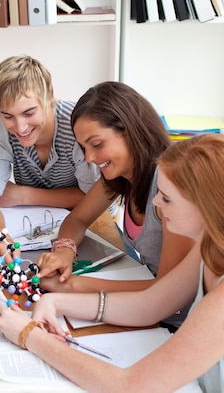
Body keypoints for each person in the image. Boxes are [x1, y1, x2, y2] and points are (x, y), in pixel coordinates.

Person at [0, 134, 224, 392]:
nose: (155, 202)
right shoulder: (212, 246)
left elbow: (129, 386)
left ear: (208, 207)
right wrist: (55, 301)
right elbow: (150, 305)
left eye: (167, 198)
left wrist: (30, 337)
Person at [36, 81, 194, 328]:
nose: (89, 158)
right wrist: (64, 252)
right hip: (146, 308)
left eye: (97, 144)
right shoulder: (119, 177)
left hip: (179, 321)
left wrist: (75, 284)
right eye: (84, 147)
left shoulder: (171, 187)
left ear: (131, 131)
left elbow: (168, 289)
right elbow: (77, 219)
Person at [0, 55, 99, 257]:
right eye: (7, 116)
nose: (20, 127)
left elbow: (95, 198)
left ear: (49, 98)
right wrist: (2, 239)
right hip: (39, 231)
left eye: (29, 113)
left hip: (94, 225)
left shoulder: (76, 124)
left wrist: (23, 195)